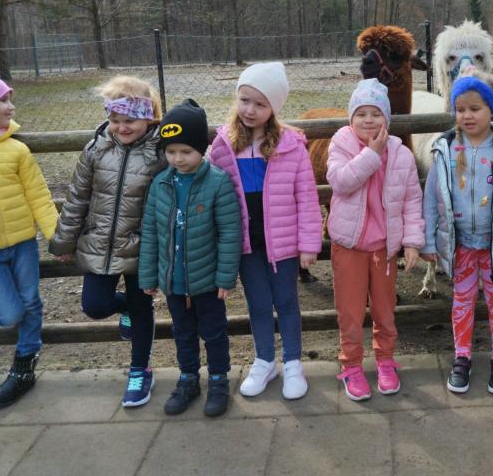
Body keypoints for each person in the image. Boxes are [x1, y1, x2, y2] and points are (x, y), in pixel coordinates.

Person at [208, 62, 322, 400]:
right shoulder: (223, 146)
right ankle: (264, 361)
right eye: (244, 100)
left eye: (260, 104)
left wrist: (309, 244)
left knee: (286, 301)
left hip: (283, 244)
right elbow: (213, 195)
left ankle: (293, 363)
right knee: (257, 304)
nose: (250, 110)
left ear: (273, 107)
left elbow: (306, 196)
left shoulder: (291, 145)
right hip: (245, 244)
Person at [49, 76, 164, 407]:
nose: (121, 127)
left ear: (148, 118)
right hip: (100, 243)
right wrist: (63, 242)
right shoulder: (96, 149)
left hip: (143, 248)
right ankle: (122, 305)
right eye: (115, 119)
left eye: (129, 120)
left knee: (142, 310)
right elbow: (77, 199)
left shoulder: (159, 154)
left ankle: (140, 370)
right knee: (95, 305)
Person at [421, 71, 493, 395]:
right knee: (462, 301)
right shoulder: (445, 150)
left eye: (475, 108)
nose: (467, 115)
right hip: (461, 246)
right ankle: (462, 356)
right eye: (461, 109)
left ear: (492, 110)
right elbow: (431, 199)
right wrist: (428, 240)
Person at [139, 100, 241, 416]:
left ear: (201, 148)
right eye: (171, 152)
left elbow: (229, 232)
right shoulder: (161, 184)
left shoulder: (218, 183)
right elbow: (151, 231)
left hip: (207, 282)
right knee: (182, 333)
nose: (178, 159)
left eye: (186, 151)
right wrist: (149, 276)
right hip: (174, 283)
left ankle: (219, 380)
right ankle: (188, 379)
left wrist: (225, 277)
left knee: (214, 332)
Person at [326, 78, 424, 401]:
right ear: (351, 118)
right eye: (361, 113)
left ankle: (385, 360)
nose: (368, 120)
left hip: (384, 247)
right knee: (350, 312)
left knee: (384, 310)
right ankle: (351, 365)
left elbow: (412, 200)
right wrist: (372, 154)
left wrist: (412, 242)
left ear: (387, 118)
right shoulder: (341, 144)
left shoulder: (401, 154)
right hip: (349, 246)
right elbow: (341, 182)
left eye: (376, 113)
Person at [0, 73, 58, 408]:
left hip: (22, 243)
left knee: (32, 302)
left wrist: (56, 237)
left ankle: (24, 365)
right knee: (8, 314)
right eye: (3, 101)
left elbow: (39, 196)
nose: (11, 107)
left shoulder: (16, 150)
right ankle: (23, 344)